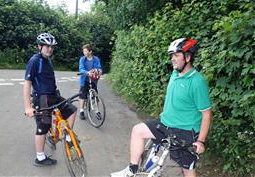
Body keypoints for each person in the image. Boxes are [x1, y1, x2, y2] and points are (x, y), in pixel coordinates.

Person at [110, 38, 212, 177]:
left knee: (188, 169)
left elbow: (206, 114)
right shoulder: (175, 73)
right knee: (137, 131)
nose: (172, 59)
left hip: (184, 132)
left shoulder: (197, 82)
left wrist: (200, 141)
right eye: (172, 56)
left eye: (176, 55)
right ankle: (132, 170)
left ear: (188, 57)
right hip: (165, 123)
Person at [23, 33, 77, 166]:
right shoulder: (35, 60)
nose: (50, 49)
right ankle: (40, 158)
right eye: (47, 46)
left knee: (72, 110)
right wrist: (27, 107)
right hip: (41, 98)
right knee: (44, 126)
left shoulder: (48, 60)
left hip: (53, 95)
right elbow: (27, 83)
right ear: (39, 46)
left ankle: (63, 136)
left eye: (51, 46)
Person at [78, 44, 102, 120]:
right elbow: (81, 68)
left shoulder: (96, 59)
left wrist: (98, 71)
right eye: (83, 51)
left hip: (93, 80)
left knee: (95, 95)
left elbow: (98, 67)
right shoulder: (82, 59)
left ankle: (97, 111)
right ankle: (81, 111)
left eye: (85, 51)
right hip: (84, 79)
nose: (84, 52)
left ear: (90, 51)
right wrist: (87, 72)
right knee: (82, 95)